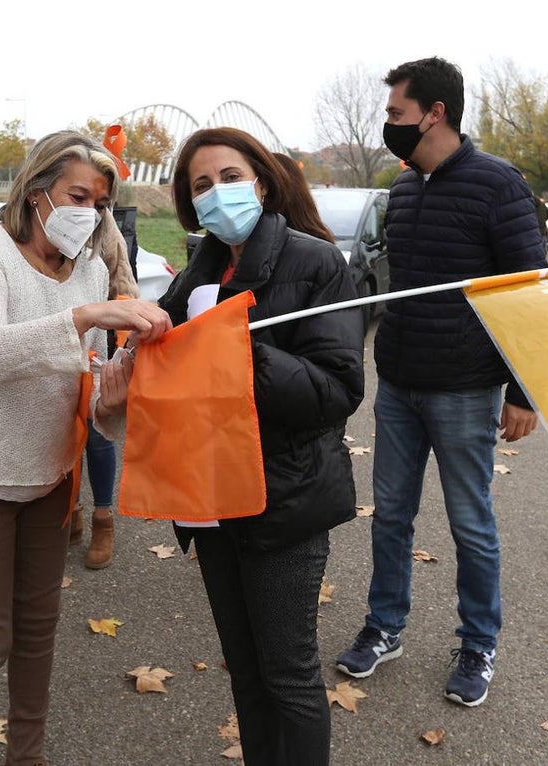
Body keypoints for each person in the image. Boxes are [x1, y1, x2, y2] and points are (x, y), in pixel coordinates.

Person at [101, 127, 365, 765]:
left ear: (262, 182)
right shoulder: (197, 270)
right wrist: (129, 370)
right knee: (245, 675)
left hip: (282, 500)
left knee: (290, 677)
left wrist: (242, 351)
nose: (216, 193)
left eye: (228, 177)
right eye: (200, 185)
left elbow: (336, 390)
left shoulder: (315, 263)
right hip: (208, 498)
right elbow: (170, 376)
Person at [0, 131, 171, 765]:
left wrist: (113, 396)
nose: (90, 211)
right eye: (77, 195)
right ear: (37, 195)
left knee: (38, 634)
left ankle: (25, 756)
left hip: (51, 474)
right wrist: (84, 318)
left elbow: (87, 385)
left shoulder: (88, 267)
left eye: (100, 201)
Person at [336, 56, 546, 709]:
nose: (387, 125)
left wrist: (522, 392)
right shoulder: (402, 189)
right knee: (390, 515)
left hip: (465, 387)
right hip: (399, 381)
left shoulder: (498, 186)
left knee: (470, 523)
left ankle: (479, 642)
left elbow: (530, 297)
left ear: (435, 113)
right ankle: (385, 626)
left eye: (396, 113)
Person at [68, 213, 140, 570]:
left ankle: (102, 519)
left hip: (106, 336)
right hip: (64, 340)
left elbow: (122, 276)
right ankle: (73, 510)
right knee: (64, 431)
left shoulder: (100, 220)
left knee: (98, 433)